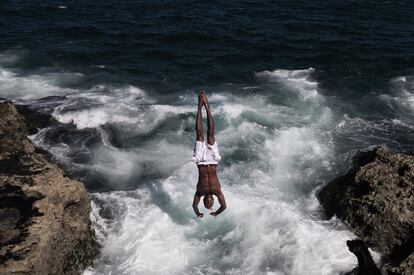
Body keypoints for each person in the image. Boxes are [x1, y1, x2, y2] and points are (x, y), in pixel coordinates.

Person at [192, 90, 227, 218]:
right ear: (213, 200)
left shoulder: (199, 192)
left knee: (199, 134)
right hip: (212, 160)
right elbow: (224, 206)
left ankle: (199, 106)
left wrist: (198, 213)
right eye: (210, 202)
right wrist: (216, 213)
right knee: (211, 134)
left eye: (205, 202)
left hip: (200, 160)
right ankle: (206, 106)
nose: (207, 201)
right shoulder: (217, 191)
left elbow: (194, 205)